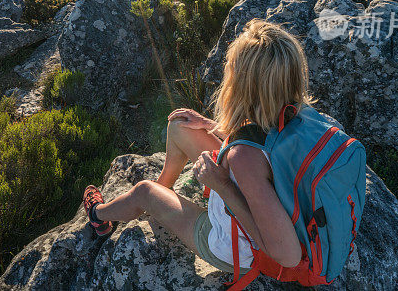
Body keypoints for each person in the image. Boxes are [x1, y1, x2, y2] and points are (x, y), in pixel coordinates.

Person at [82, 18, 311, 274]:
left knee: (143, 191)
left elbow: (288, 256)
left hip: (232, 246)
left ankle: (98, 216)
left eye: (231, 67)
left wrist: (222, 185)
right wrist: (207, 124)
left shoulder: (245, 159)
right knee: (180, 125)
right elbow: (262, 138)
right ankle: (163, 190)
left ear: (244, 85)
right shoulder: (300, 116)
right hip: (260, 195)